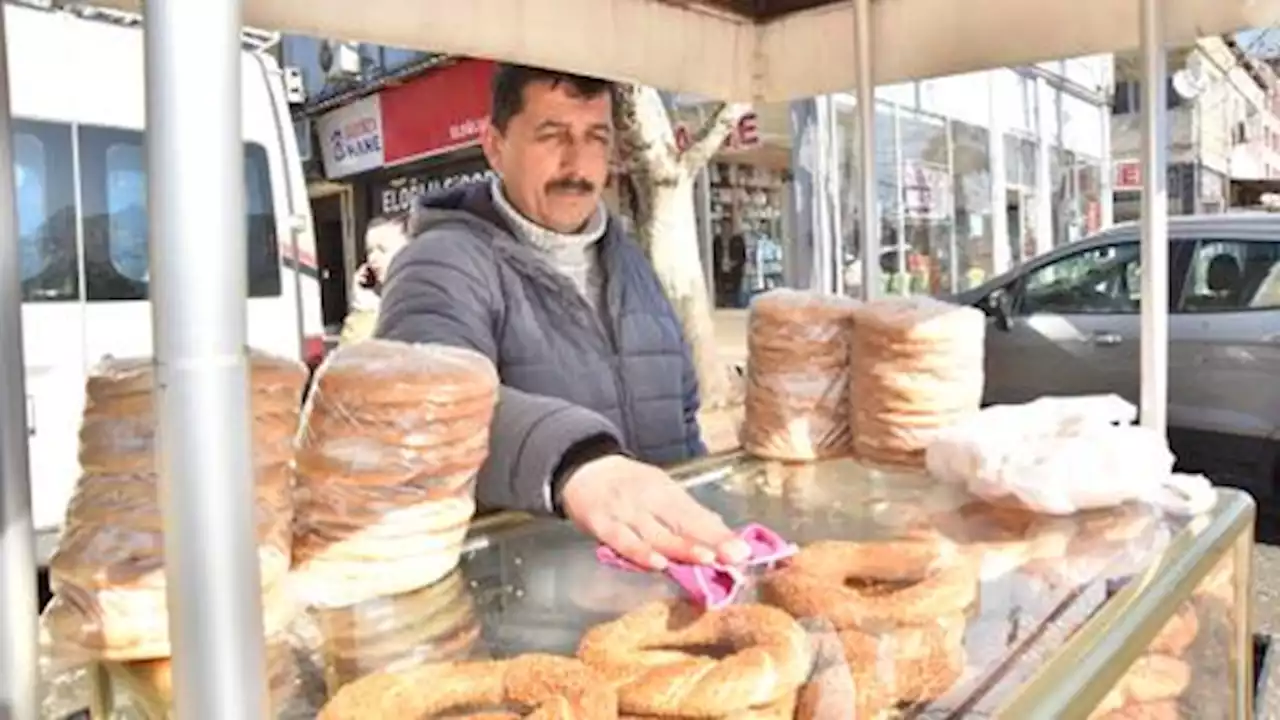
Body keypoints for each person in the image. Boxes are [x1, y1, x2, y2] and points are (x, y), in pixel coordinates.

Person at [375, 64, 750, 571]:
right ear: (494, 145)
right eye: (552, 136)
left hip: (665, 583)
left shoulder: (631, 261)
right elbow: (427, 410)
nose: (577, 163)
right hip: (524, 605)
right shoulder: (441, 263)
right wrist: (576, 464)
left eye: (595, 138)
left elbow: (682, 419)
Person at [339, 213, 409, 345]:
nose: (372, 259)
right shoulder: (373, 305)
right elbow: (350, 357)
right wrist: (363, 310)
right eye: (370, 251)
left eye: (382, 249)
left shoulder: (423, 299)